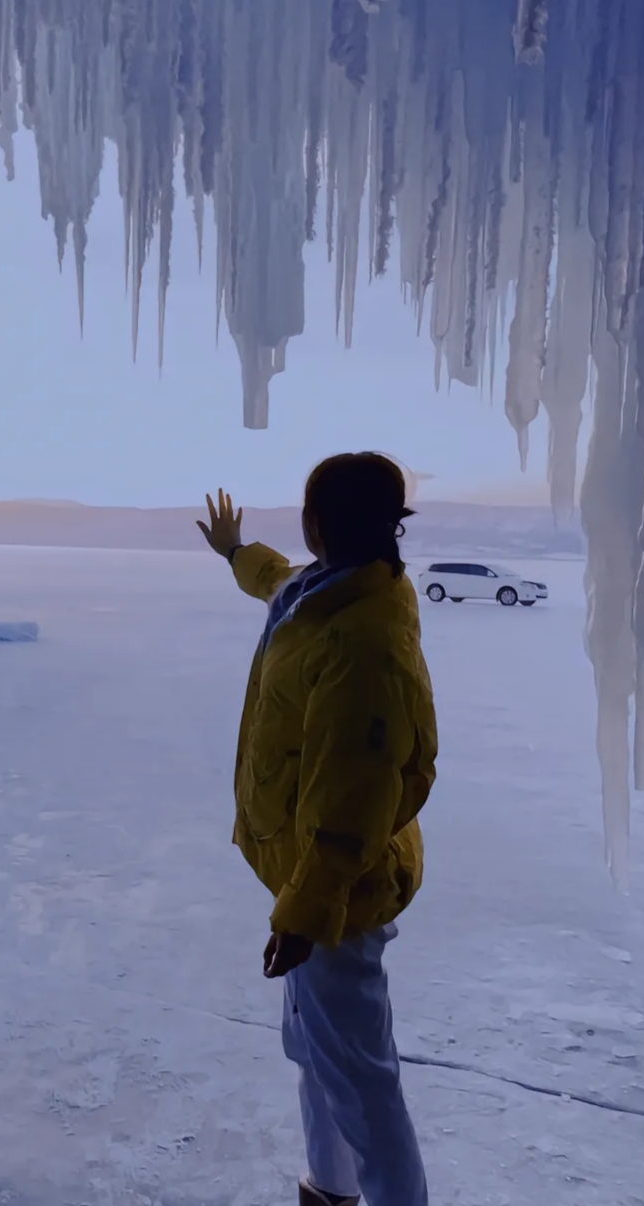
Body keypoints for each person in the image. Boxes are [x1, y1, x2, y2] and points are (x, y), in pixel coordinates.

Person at [197, 453, 436, 1206]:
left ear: (319, 520)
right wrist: (237, 552)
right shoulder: (327, 589)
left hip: (337, 893)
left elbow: (353, 799)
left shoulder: (361, 642)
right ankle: (327, 1189)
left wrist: (305, 914)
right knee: (320, 1055)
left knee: (361, 1081)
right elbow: (276, 578)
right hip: (312, 880)